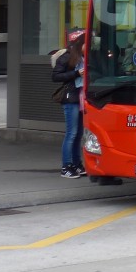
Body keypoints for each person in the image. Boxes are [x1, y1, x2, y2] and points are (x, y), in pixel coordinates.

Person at [52, 31, 86, 178]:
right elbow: (55, 76)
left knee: (78, 133)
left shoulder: (83, 57)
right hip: (70, 98)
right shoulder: (66, 57)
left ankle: (77, 164)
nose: (88, 45)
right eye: (85, 42)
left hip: (80, 98)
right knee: (71, 133)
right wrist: (77, 73)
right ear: (79, 43)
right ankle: (66, 166)